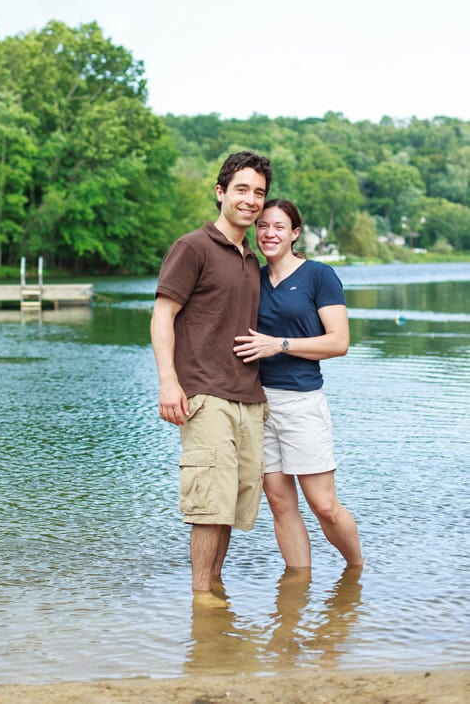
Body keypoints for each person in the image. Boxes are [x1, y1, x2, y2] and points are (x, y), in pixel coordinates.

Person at [150, 151, 273, 606]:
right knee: (208, 500)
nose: (250, 200)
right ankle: (201, 596)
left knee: (232, 504)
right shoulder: (193, 247)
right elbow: (163, 315)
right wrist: (169, 382)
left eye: (258, 192)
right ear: (220, 193)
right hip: (204, 392)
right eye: (241, 189)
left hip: (248, 396)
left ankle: (214, 587)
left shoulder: (251, 259)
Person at [234, 198, 363, 570]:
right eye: (263, 226)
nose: (269, 233)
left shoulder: (319, 275)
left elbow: (339, 342)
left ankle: (355, 572)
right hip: (258, 404)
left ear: (294, 233)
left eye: (278, 227)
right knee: (279, 502)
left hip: (302, 403)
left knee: (323, 505)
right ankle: (296, 589)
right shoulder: (253, 277)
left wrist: (280, 345)